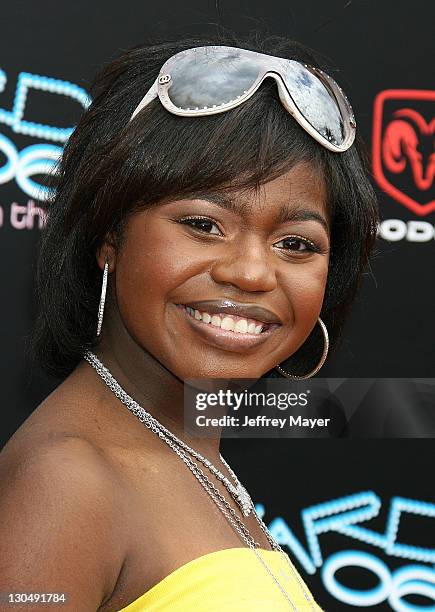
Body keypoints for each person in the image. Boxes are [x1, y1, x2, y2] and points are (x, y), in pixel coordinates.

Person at [0, 31, 378, 611]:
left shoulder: (198, 455)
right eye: (204, 224)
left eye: (297, 242)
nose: (253, 274)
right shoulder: (66, 484)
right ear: (108, 235)